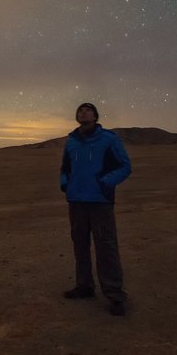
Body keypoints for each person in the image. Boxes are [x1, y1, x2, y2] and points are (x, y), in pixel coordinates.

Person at [59, 102, 132, 316]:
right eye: (80, 110)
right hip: (76, 202)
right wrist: (65, 184)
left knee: (106, 248)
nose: (83, 112)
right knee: (80, 246)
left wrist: (106, 182)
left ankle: (115, 295)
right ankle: (84, 286)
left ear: (95, 116)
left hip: (100, 202)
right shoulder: (71, 141)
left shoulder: (109, 139)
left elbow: (125, 166)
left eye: (88, 109)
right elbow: (65, 167)